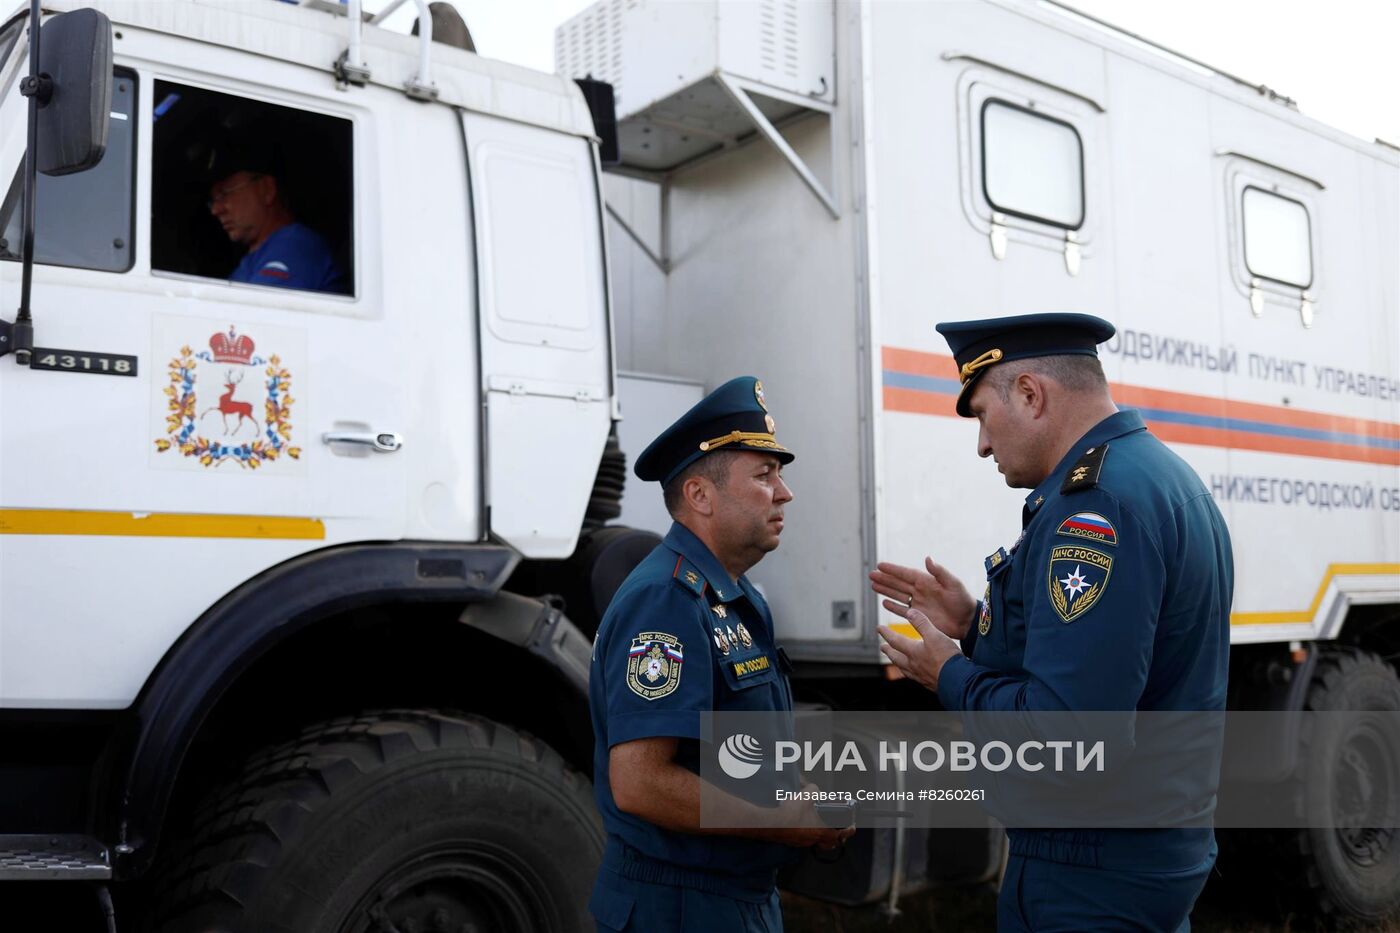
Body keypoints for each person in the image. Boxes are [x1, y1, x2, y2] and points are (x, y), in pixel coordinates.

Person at [871, 313, 1232, 932]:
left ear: (1031, 394)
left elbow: (1070, 735)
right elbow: (1105, 658)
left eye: (982, 415)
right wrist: (973, 625)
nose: (983, 444)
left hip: (1091, 865)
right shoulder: (1159, 476)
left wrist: (949, 674)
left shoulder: (1096, 508)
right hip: (1140, 852)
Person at [588, 376, 854, 933]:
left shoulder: (734, 594)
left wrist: (803, 802)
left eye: (779, 475)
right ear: (700, 496)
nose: (784, 493)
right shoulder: (666, 599)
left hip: (733, 898)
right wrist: (783, 819)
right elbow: (639, 782)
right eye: (764, 475)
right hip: (679, 907)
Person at [207, 146, 344, 294]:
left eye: (224, 193)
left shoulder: (294, 246)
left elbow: (258, 306)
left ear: (267, 189)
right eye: (213, 201)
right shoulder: (255, 259)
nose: (215, 210)